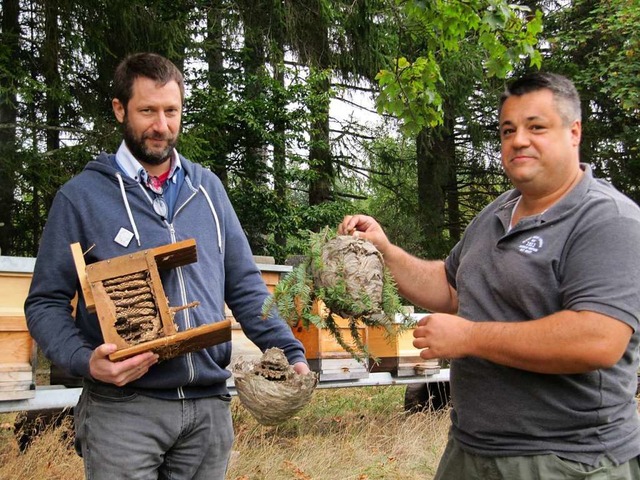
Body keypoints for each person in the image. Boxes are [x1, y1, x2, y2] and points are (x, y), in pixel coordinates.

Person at [339, 72, 640, 479]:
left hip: (567, 460)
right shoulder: (497, 211)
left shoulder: (607, 219)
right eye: (508, 130)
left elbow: (598, 340)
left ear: (573, 132)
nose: (518, 140)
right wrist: (386, 251)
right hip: (469, 451)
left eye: (536, 127)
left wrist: (468, 337)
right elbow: (449, 287)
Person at [25, 52, 310, 480]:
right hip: (124, 412)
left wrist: (290, 351)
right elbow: (44, 302)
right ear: (120, 110)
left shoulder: (208, 189)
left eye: (171, 111)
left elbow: (246, 286)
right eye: (148, 111)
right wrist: (87, 360)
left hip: (208, 410)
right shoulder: (80, 198)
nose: (161, 126)